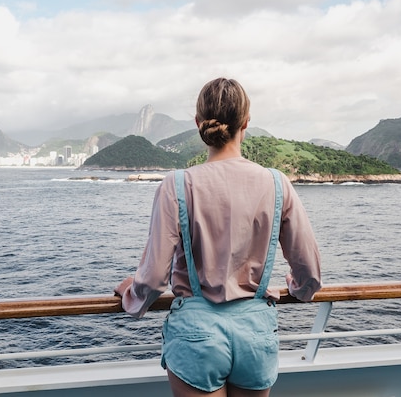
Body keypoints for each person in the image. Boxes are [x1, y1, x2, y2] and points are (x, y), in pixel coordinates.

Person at [115, 77, 322, 397]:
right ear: (247, 122)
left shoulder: (176, 185)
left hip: (196, 336)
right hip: (255, 334)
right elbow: (309, 271)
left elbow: (155, 278)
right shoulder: (278, 184)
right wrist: (298, 288)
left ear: (199, 123)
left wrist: (133, 295)